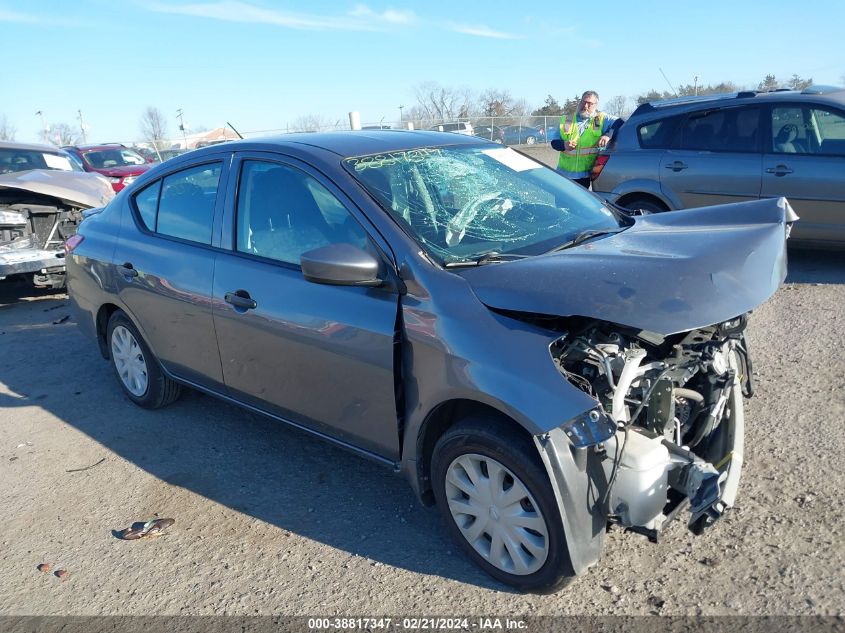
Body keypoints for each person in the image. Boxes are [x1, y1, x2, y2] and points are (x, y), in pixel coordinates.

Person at [549, 91, 624, 188]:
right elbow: (554, 143)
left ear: (596, 105)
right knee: (560, 202)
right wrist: (564, 145)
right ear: (580, 102)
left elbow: (620, 122)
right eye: (583, 102)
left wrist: (608, 135)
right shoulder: (567, 119)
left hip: (584, 176)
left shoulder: (601, 119)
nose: (585, 106)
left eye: (590, 104)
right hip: (563, 174)